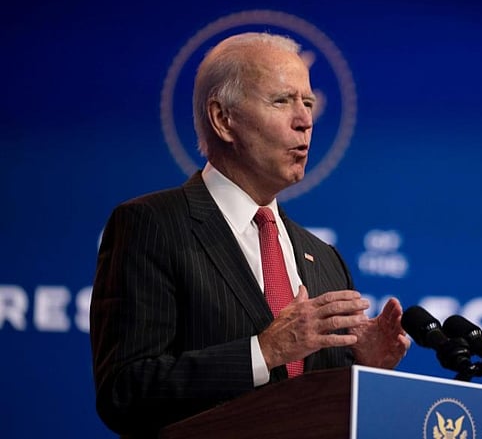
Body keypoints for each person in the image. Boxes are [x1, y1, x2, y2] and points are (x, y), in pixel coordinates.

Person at [89, 32, 410, 437]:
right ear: (223, 120)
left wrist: (365, 371)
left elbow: (320, 411)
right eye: (282, 101)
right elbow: (125, 393)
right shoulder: (152, 225)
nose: (305, 120)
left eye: (308, 103)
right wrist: (266, 351)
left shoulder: (324, 258)